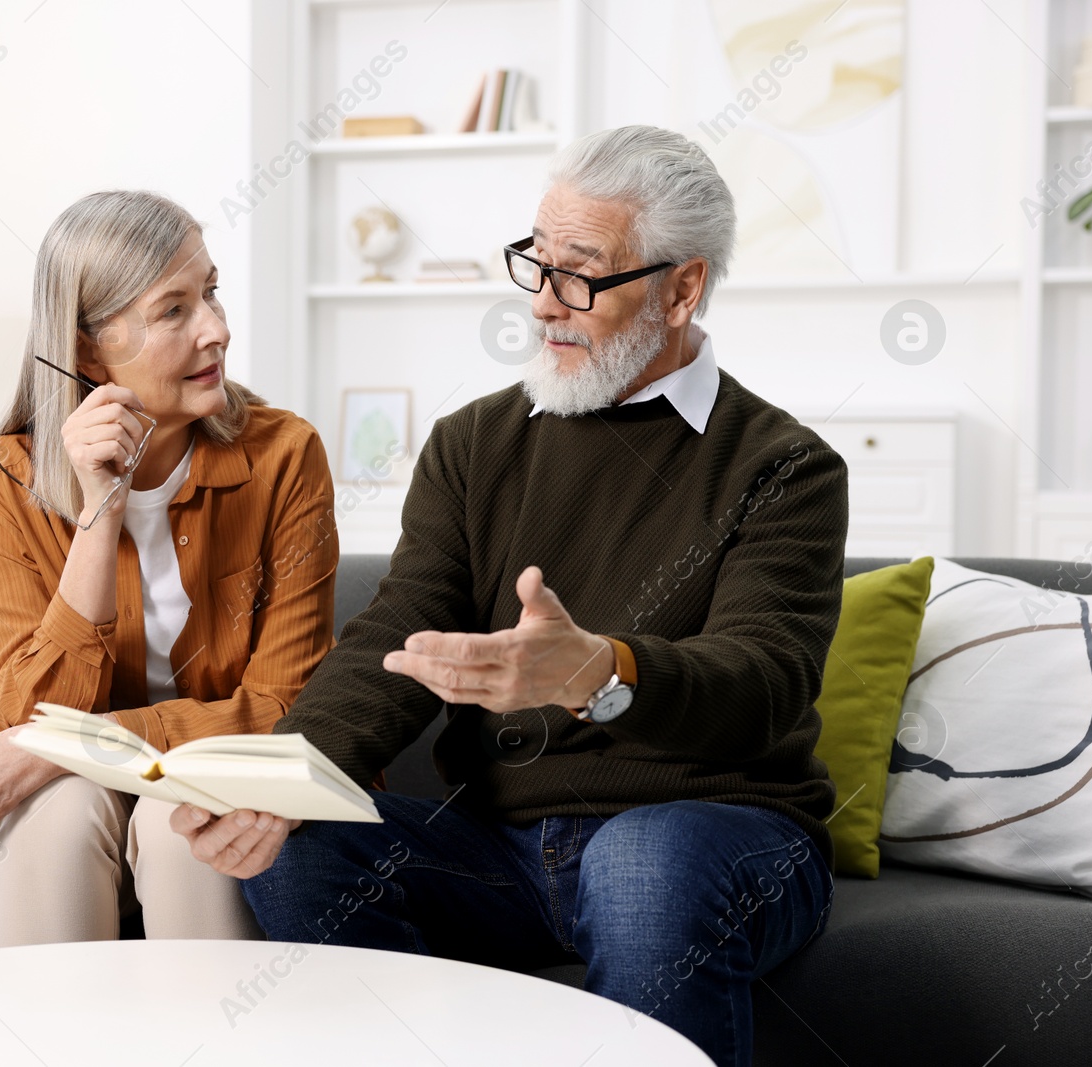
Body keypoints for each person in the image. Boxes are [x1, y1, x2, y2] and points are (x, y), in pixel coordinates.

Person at [171, 125, 848, 1067]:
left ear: (682, 287)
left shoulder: (784, 466)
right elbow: (393, 640)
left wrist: (600, 672)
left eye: (582, 273)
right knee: (300, 841)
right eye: (536, 262)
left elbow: (763, 677)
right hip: (502, 846)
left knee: (640, 867)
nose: (543, 304)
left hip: (718, 832)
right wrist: (282, 780)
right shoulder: (474, 443)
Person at [0, 190, 339, 946]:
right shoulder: (6, 480)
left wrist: (85, 742)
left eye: (209, 291)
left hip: (228, 772)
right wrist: (100, 512)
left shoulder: (284, 455)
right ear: (84, 350)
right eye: (173, 310)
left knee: (183, 824)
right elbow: (29, 713)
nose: (218, 329)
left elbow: (284, 706)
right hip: (74, 788)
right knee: (53, 812)